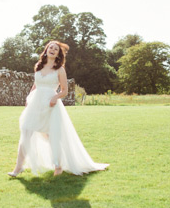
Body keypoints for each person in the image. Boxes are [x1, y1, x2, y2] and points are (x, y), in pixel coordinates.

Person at [8, 40, 109, 177]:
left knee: (52, 136)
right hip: (35, 104)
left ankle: (58, 166)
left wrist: (55, 98)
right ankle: (18, 167)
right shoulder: (39, 66)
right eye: (50, 47)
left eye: (56, 49)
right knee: (26, 132)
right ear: (46, 50)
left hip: (51, 105)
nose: (53, 50)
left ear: (58, 54)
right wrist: (28, 99)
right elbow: (35, 85)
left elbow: (64, 90)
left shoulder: (60, 69)